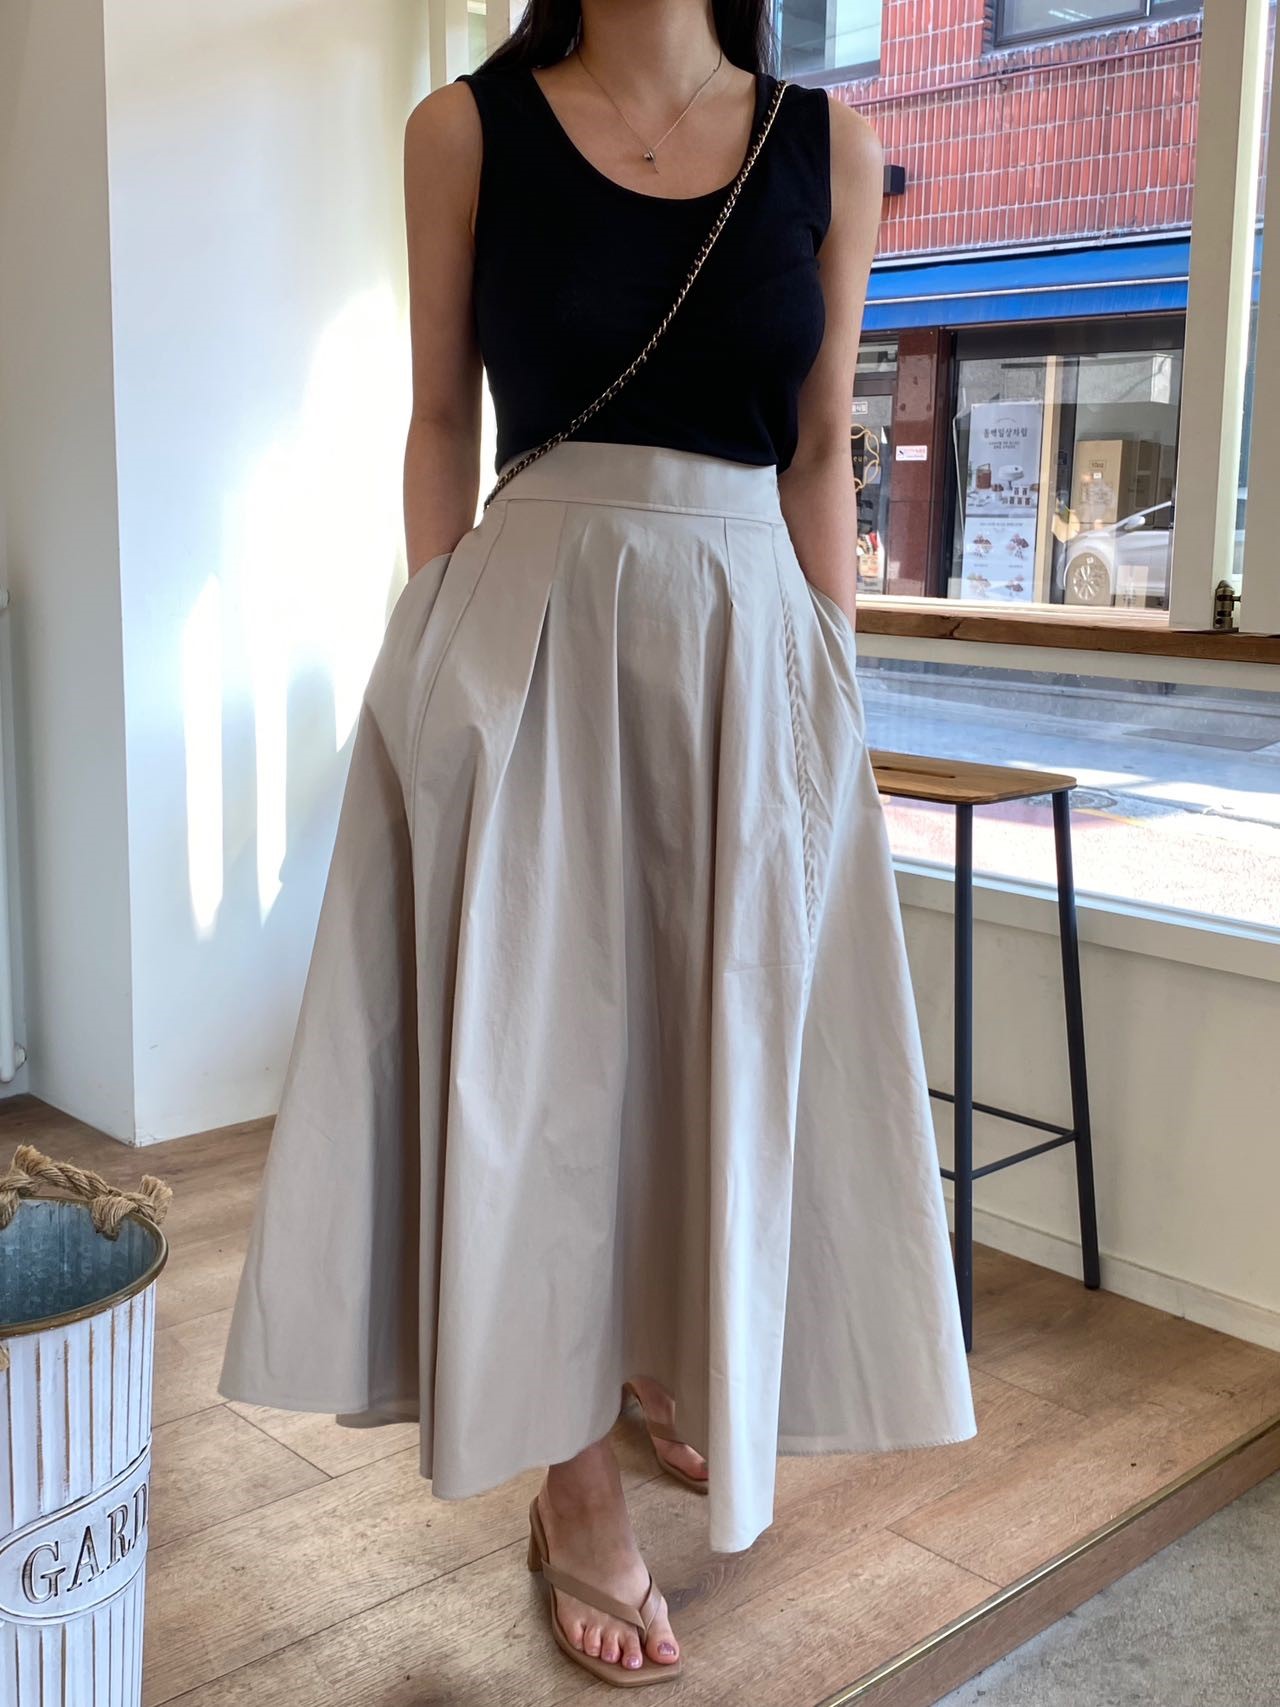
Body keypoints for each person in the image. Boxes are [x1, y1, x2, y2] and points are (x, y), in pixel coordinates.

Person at [218, 0, 977, 1688]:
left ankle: (660, 1352)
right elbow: (440, 419)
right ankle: (569, 1484)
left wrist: (829, 692)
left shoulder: (831, 149)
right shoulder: (465, 130)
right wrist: (433, 659)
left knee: (713, 1039)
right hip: (527, 641)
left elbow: (820, 452)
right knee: (542, 1070)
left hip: (744, 647)